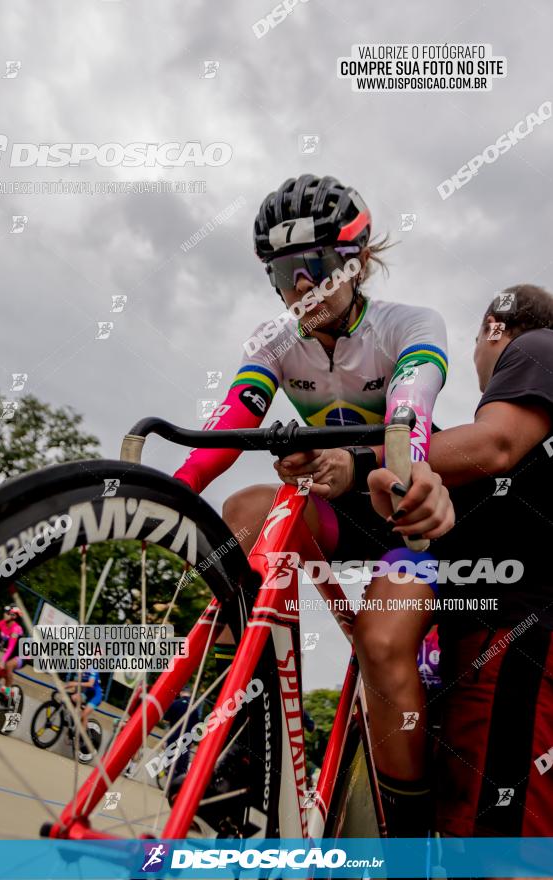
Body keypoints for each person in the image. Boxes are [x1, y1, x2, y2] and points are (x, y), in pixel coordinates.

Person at [173, 174, 454, 835]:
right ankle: (238, 722)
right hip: (324, 513)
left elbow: (409, 423)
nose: (301, 290)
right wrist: (168, 495)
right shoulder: (273, 340)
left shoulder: (408, 324)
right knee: (244, 509)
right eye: (283, 275)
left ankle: (406, 839)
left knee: (384, 648)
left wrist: (353, 463)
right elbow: (228, 425)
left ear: (354, 263)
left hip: (399, 516)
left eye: (317, 268)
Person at [420, 284, 553, 840]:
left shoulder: (540, 345)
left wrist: (357, 459)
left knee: (505, 855)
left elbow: (494, 444)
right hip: (489, 655)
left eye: (477, 338)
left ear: (493, 329)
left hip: (516, 648)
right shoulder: (517, 471)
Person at [64, 665, 103, 731]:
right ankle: (72, 722)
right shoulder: (81, 670)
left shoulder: (93, 669)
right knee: (73, 698)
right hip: (86, 694)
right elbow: (75, 685)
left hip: (96, 696)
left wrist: (74, 684)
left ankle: (81, 737)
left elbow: (90, 684)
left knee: (84, 714)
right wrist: (63, 688)